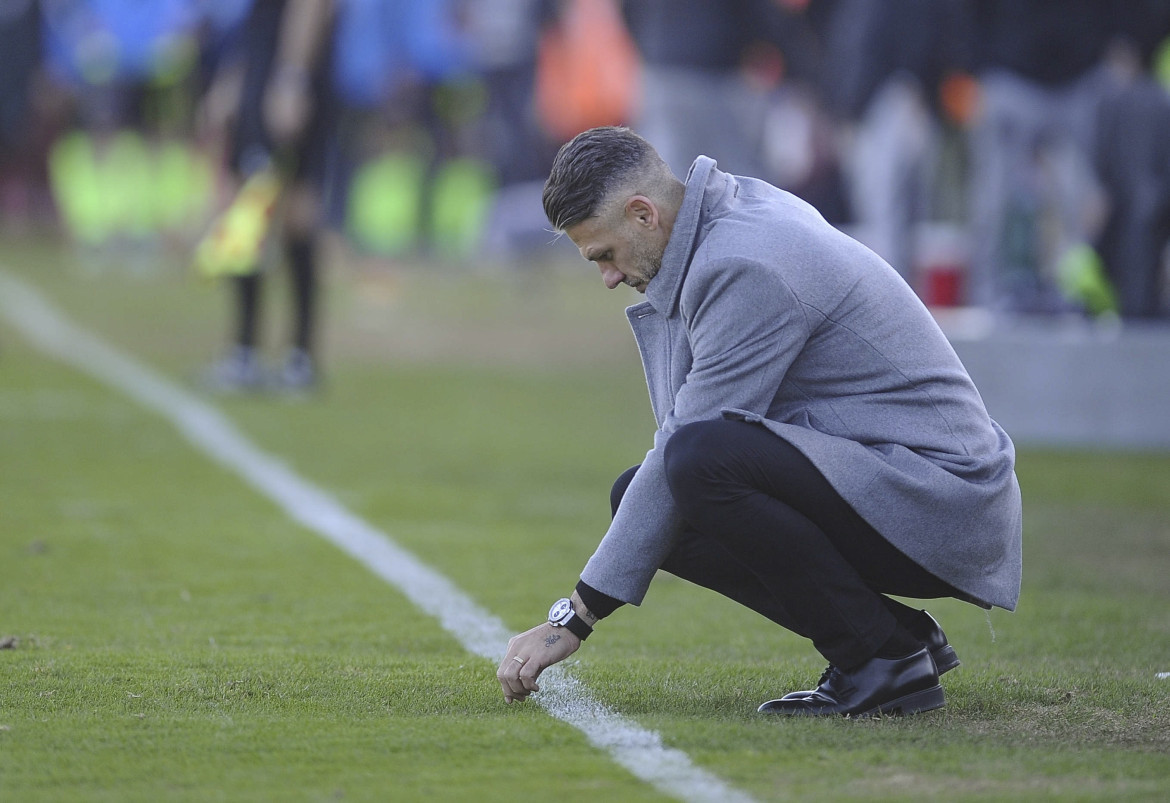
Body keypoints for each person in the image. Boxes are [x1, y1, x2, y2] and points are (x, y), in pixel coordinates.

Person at [497, 126, 1022, 717]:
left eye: (605, 255)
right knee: (648, 493)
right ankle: (893, 639)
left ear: (643, 214)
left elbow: (687, 442)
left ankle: (882, 661)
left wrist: (574, 617)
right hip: (897, 476)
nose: (609, 278)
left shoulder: (743, 263)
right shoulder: (729, 214)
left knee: (699, 464)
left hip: (941, 499)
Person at [200, 0, 336, 393]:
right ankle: (289, 357)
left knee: (265, 206)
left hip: (287, 72)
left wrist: (291, 77)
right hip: (272, 68)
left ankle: (259, 355)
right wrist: (237, 77)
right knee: (272, 206)